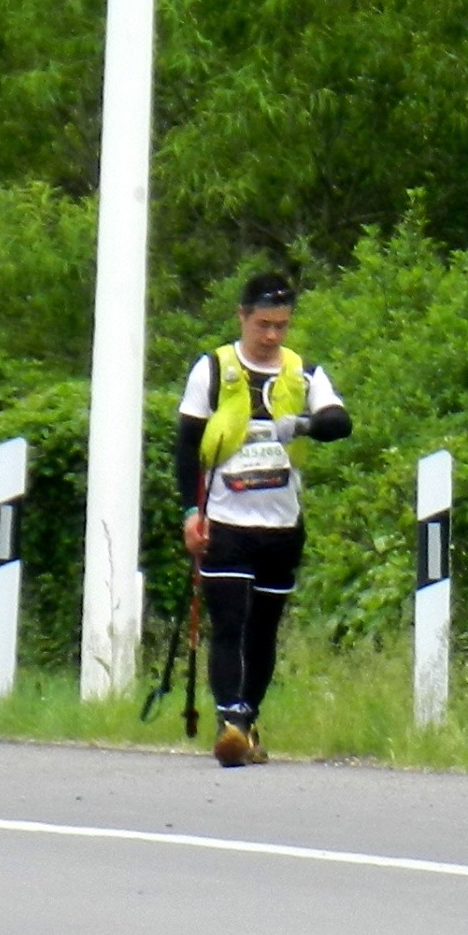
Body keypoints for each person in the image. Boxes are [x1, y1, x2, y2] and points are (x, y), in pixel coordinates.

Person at [174, 272, 352, 767]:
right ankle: (229, 721)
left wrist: (304, 424)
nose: (272, 336)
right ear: (242, 317)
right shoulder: (213, 369)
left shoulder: (302, 373)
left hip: (281, 525)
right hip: (226, 522)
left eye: (282, 326)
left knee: (264, 630)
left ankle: (247, 721)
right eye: (263, 325)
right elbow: (186, 447)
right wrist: (190, 512)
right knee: (229, 623)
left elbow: (341, 424)